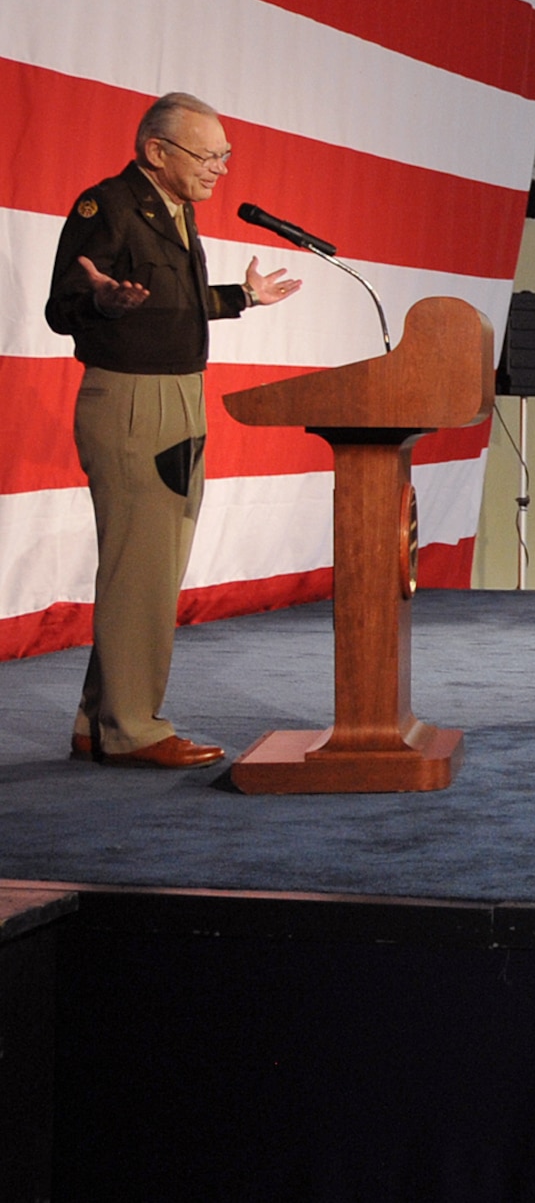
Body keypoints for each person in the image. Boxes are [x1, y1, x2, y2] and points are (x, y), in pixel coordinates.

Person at [44, 92, 303, 768]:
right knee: (142, 572)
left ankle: (96, 719)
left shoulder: (176, 211)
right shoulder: (107, 207)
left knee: (149, 571)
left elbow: (172, 306)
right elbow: (63, 304)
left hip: (180, 397)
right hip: (132, 401)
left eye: (225, 155)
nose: (221, 168)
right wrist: (101, 299)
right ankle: (133, 728)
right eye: (208, 155)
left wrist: (242, 297)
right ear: (157, 151)